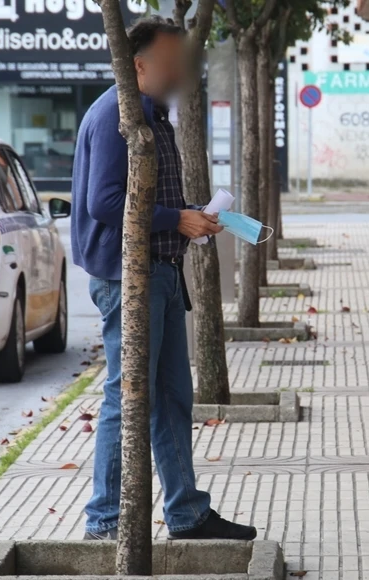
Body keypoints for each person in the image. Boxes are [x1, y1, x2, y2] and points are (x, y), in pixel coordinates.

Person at [71, 17, 255, 542]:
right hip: (132, 278)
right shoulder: (117, 116)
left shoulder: (155, 117)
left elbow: (148, 197)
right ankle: (106, 523)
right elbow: (106, 203)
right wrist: (177, 219)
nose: (181, 71)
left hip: (164, 273)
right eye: (171, 61)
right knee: (127, 397)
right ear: (137, 65)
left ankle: (188, 514)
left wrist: (191, 215)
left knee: (174, 395)